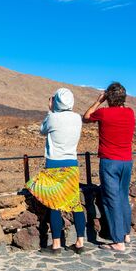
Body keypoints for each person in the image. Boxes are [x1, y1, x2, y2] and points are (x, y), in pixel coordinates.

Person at [26, 88, 86, 255]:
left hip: (54, 165)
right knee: (75, 203)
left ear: (56, 101)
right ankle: (80, 242)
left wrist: (50, 109)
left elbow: (42, 130)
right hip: (72, 165)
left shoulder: (52, 117)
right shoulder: (77, 118)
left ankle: (56, 245)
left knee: (54, 204)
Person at [83, 82, 135, 252]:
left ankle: (118, 241)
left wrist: (99, 101)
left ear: (108, 98)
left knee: (111, 200)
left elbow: (86, 117)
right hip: (127, 161)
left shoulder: (104, 113)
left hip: (109, 162)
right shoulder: (129, 113)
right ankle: (126, 234)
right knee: (122, 196)